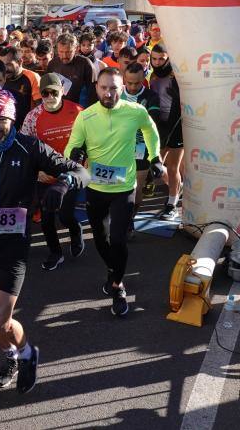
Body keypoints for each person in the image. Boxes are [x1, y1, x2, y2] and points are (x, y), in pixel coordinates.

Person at [0, 87, 89, 393]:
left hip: (13, 247)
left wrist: (63, 185)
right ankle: (11, 356)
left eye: (2, 120)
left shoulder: (29, 147)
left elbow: (79, 170)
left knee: (0, 318)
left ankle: (27, 354)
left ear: (13, 120)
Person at [65, 68, 166, 317]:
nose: (108, 93)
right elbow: (71, 146)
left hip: (124, 187)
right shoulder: (86, 117)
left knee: (119, 240)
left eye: (113, 88)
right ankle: (113, 269)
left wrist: (155, 157)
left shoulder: (135, 111)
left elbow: (151, 132)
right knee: (100, 239)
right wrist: (75, 154)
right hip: (96, 187)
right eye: (103, 88)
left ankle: (117, 285)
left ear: (121, 89)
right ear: (96, 88)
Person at [19, 74, 85, 270]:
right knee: (47, 219)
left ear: (62, 91)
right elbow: (25, 147)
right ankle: (55, 253)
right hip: (44, 175)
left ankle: (75, 230)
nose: (49, 97)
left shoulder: (78, 112)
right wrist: (37, 171)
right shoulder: (33, 116)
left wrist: (82, 165)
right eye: (45, 93)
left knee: (65, 216)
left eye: (54, 92)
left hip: (69, 173)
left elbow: (89, 141)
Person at [122, 62, 161, 227]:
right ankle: (118, 217)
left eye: (136, 83)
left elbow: (151, 123)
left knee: (136, 187)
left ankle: (130, 220)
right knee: (119, 185)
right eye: (129, 82)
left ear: (143, 78)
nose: (132, 87)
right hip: (118, 147)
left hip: (141, 148)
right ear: (124, 78)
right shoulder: (116, 93)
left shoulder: (151, 96)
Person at [148, 44, 183, 220]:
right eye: (154, 58)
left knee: (172, 167)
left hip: (176, 125)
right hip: (158, 125)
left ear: (168, 57)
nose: (157, 62)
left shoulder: (175, 74)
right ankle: (177, 189)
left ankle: (172, 204)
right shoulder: (152, 75)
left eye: (161, 58)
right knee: (157, 165)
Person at [46, 34, 96, 107]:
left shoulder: (85, 64)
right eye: (61, 52)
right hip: (57, 108)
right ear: (57, 50)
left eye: (68, 52)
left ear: (76, 49)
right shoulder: (52, 64)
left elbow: (93, 93)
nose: (64, 56)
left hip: (79, 110)